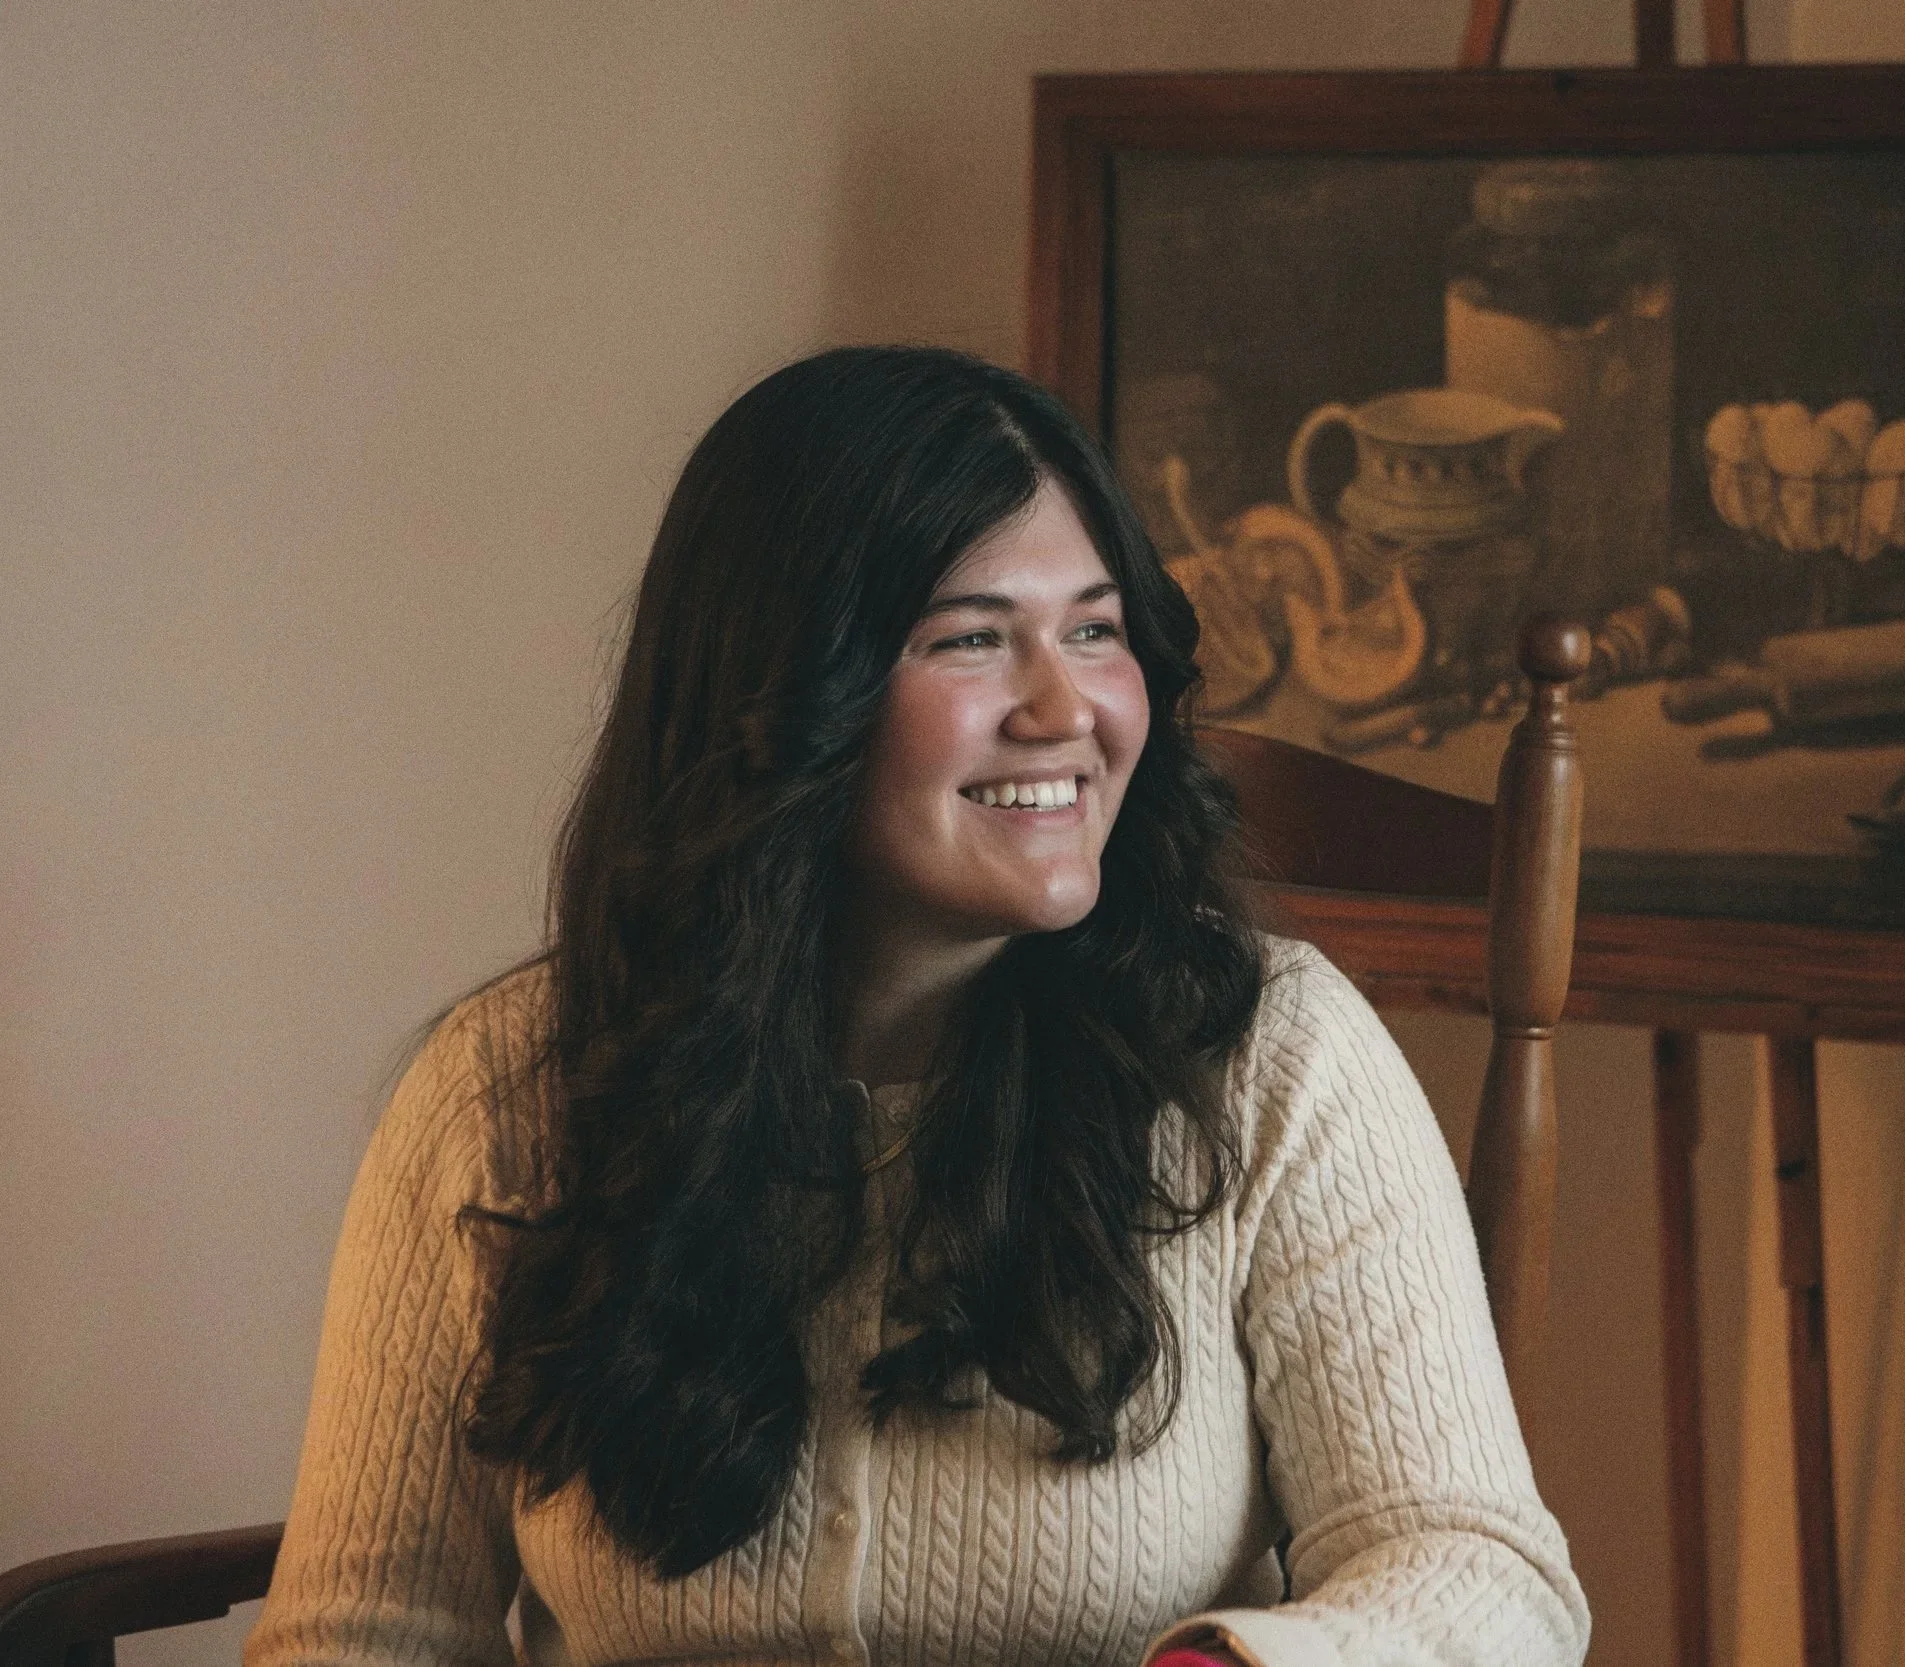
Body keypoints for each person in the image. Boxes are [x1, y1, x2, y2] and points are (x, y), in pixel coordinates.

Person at [244, 346, 1588, 1667]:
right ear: (786, 692)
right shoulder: (511, 1094)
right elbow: (362, 1636)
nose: (1068, 708)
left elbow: (1482, 1573)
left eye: (1097, 630)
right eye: (971, 640)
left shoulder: (1273, 1055)